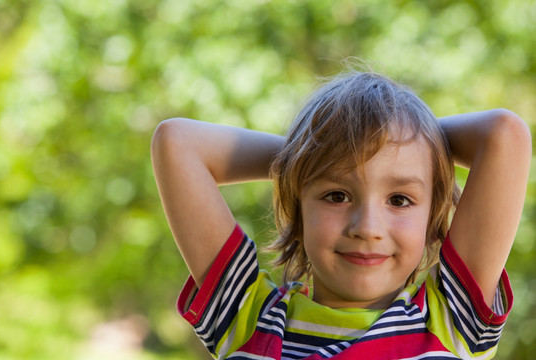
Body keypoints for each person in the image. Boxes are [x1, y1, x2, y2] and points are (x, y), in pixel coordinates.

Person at [151, 70, 531, 359]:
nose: (367, 228)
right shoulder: (246, 316)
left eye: (399, 200)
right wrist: (308, 153)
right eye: (336, 194)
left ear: (432, 221)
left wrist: (417, 141)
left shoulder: (449, 318)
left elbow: (505, 135)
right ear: (298, 209)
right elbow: (176, 142)